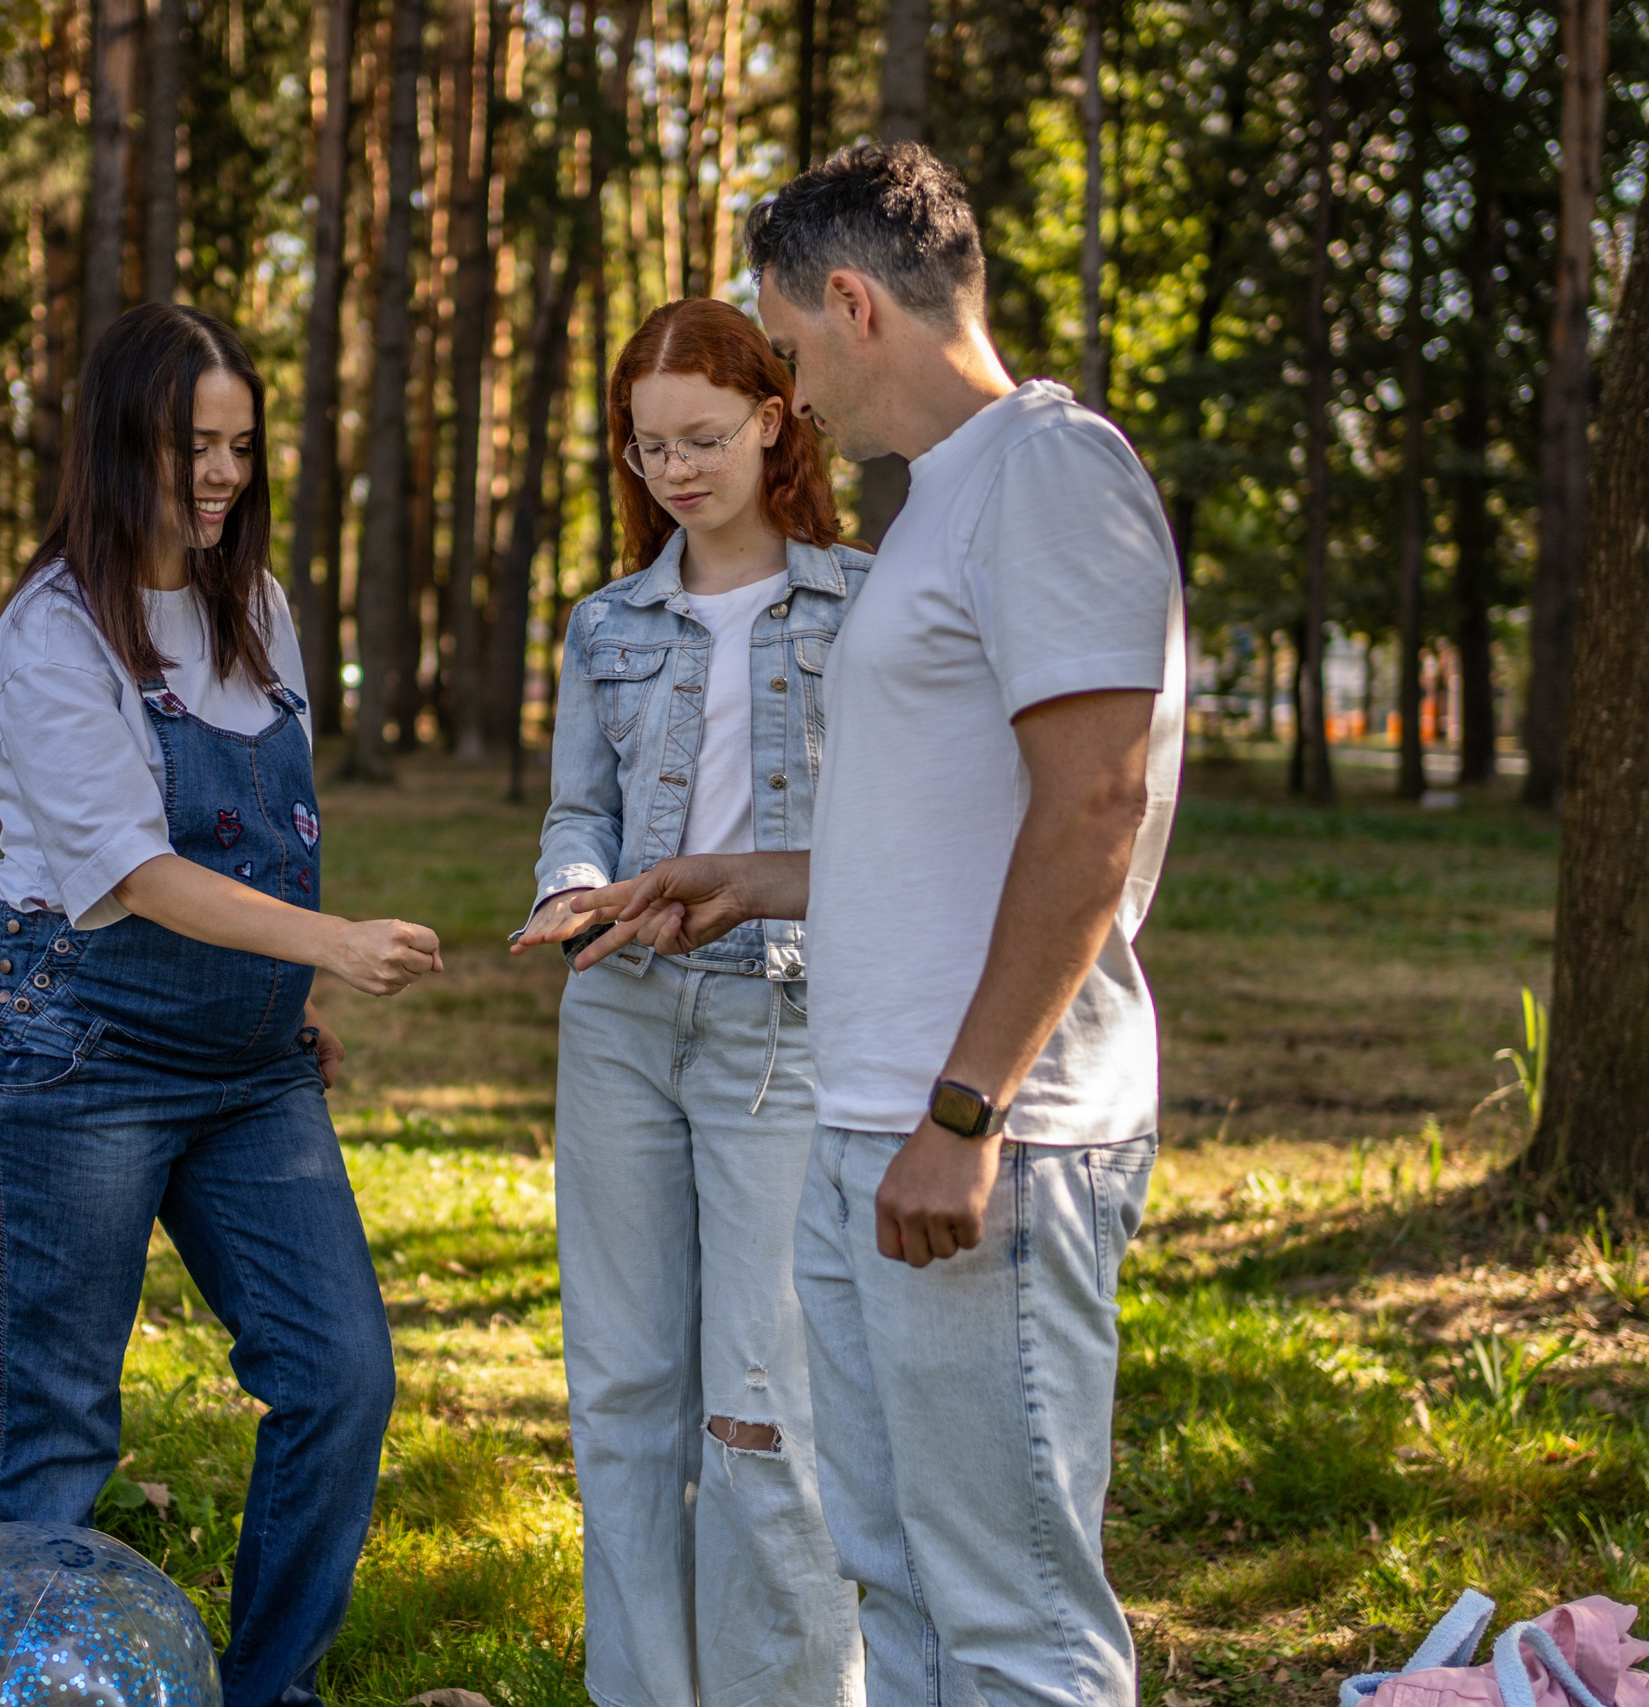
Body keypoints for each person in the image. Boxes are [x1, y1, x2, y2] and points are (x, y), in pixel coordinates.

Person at [581, 142, 1187, 1707]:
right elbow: (943, 823)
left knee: (1015, 1618)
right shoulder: (939, 506)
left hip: (987, 1127)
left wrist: (968, 1106)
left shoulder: (1053, 470)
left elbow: (1094, 807)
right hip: (868, 1121)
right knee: (902, 1593)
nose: (793, 386)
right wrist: (759, 875)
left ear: (851, 302)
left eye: (784, 345)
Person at [0, 302, 441, 1707]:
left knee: (339, 1374)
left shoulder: (257, 603)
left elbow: (268, 826)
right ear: (118, 447)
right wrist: (330, 943)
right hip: (73, 1048)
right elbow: (137, 873)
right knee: (60, 1409)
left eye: (237, 445)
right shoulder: (50, 634)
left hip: (250, 1067)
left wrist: (275, 995)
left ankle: (262, 1685)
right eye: (188, 448)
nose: (220, 476)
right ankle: (32, 1686)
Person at [511, 297, 868, 1707]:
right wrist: (574, 888)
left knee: (762, 1407)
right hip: (623, 1019)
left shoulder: (867, 598)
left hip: (785, 1020)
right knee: (622, 1390)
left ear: (775, 419)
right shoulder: (605, 624)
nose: (676, 469)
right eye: (649, 444)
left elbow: (903, 836)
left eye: (704, 436)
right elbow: (576, 811)